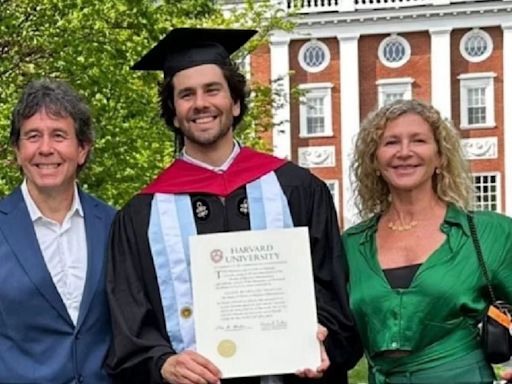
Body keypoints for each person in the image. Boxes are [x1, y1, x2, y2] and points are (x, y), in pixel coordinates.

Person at [106, 27, 361, 384]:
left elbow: (335, 299)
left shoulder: (298, 191)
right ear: (174, 113)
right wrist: (163, 364)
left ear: (236, 102)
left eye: (213, 89)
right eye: (186, 95)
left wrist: (323, 344)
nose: (201, 103)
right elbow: (129, 329)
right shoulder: (140, 216)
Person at [342, 98, 512, 384]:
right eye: (391, 142)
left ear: (440, 156)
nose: (404, 152)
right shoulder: (351, 245)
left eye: (418, 140)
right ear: (374, 159)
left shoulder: (489, 233)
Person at [0, 79, 116, 383]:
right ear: (17, 150)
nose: (46, 149)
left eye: (59, 135)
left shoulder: (115, 226)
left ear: (82, 149)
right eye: (33, 136)